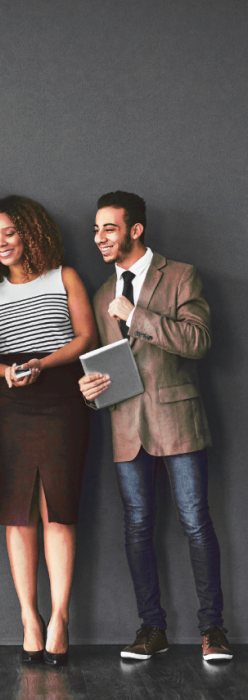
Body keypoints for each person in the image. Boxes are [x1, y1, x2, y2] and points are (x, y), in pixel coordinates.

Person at [78, 191, 232, 661]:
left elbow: (199, 341)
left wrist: (137, 316)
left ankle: (213, 630)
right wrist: (92, 391)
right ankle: (152, 628)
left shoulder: (181, 276)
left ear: (135, 229)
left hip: (179, 420)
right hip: (127, 427)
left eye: (109, 228)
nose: (100, 237)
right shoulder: (102, 293)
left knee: (195, 522)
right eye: (96, 229)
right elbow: (113, 367)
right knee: (137, 528)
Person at [0, 195, 98, 666]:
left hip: (62, 400)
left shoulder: (65, 277)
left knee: (57, 510)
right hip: (10, 405)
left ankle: (60, 619)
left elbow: (86, 338)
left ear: (30, 233)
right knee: (18, 515)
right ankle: (28, 619)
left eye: (9, 232)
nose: (1, 242)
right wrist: (7, 374)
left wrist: (40, 362)